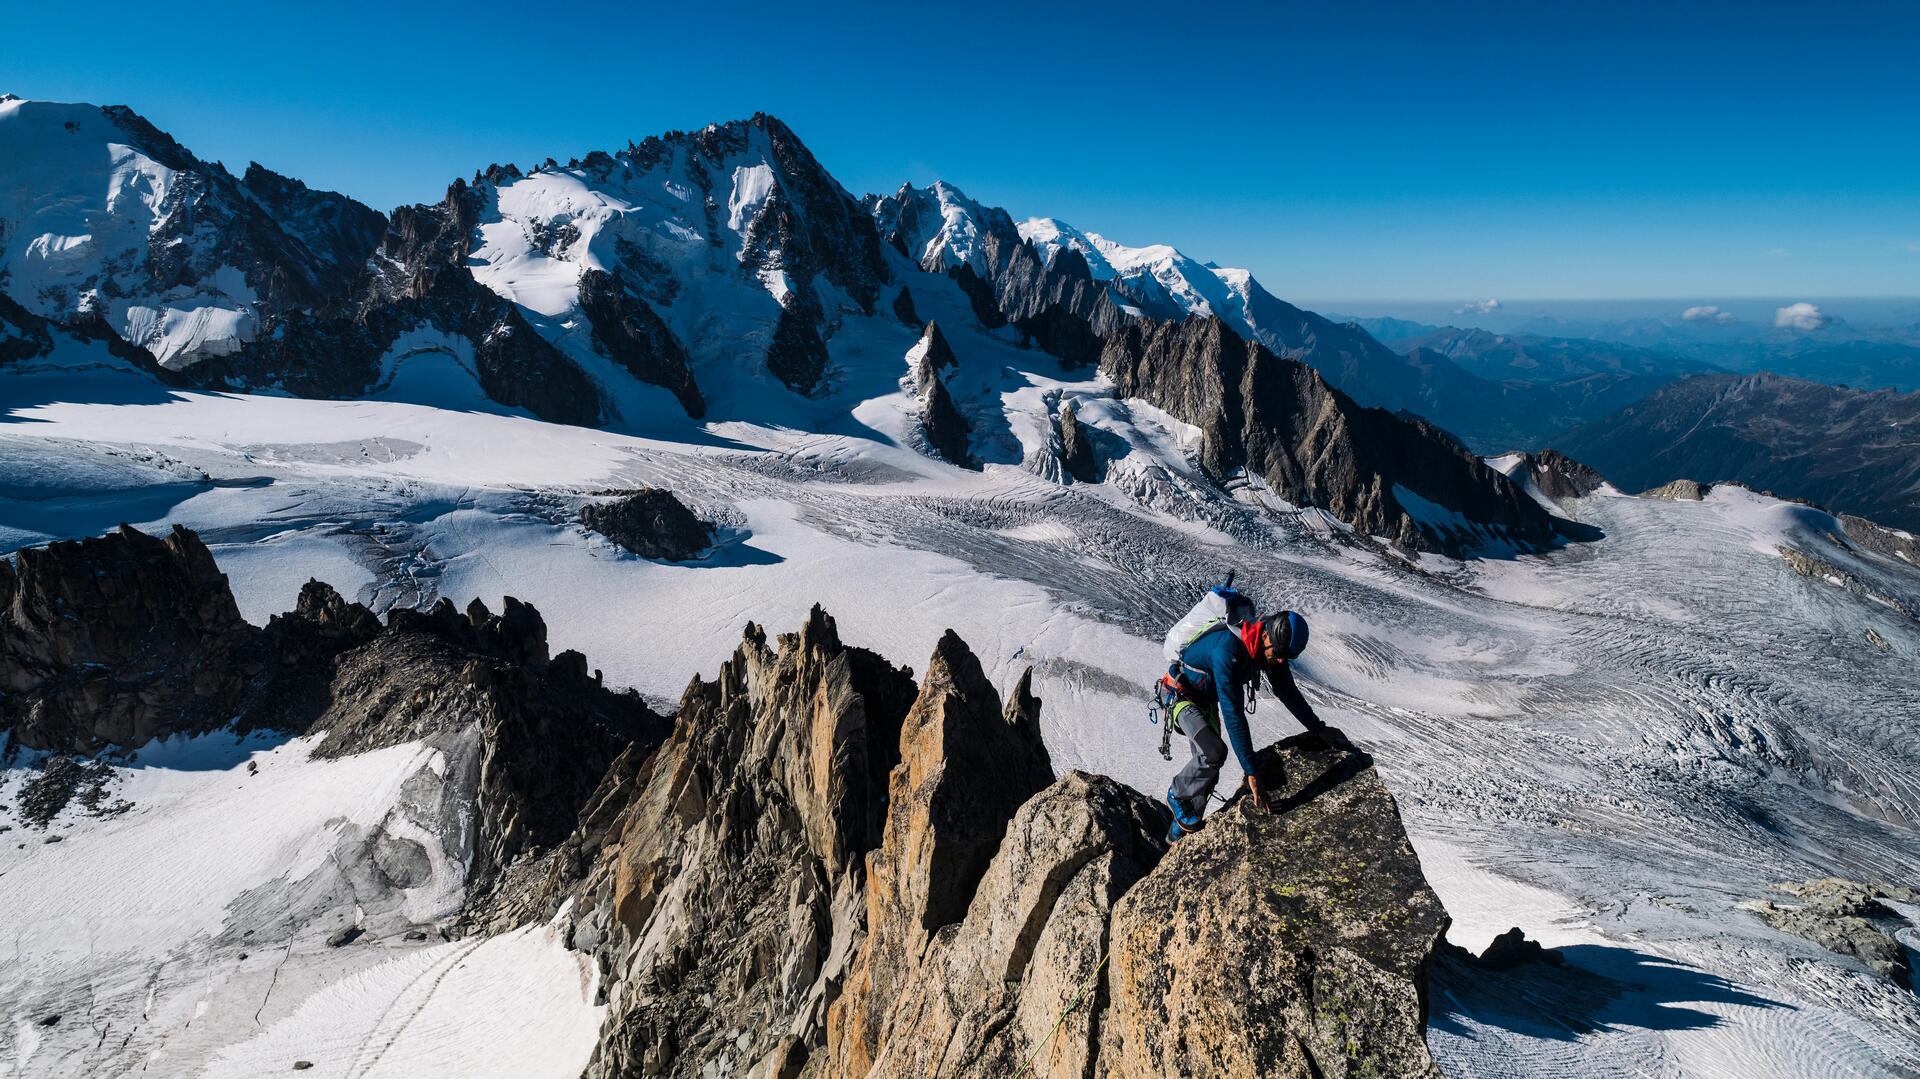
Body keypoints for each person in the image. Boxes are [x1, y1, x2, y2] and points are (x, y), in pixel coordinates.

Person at [1163, 610, 1349, 841]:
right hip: (1181, 698)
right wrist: (1251, 771)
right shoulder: (1227, 652)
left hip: (1205, 701)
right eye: (1280, 654)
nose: (1281, 661)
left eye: (1286, 657)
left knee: (1207, 775)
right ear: (1267, 636)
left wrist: (1318, 728)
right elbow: (1234, 716)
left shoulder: (1269, 647)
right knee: (1213, 753)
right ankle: (1177, 794)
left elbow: (1287, 691)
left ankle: (1178, 835)